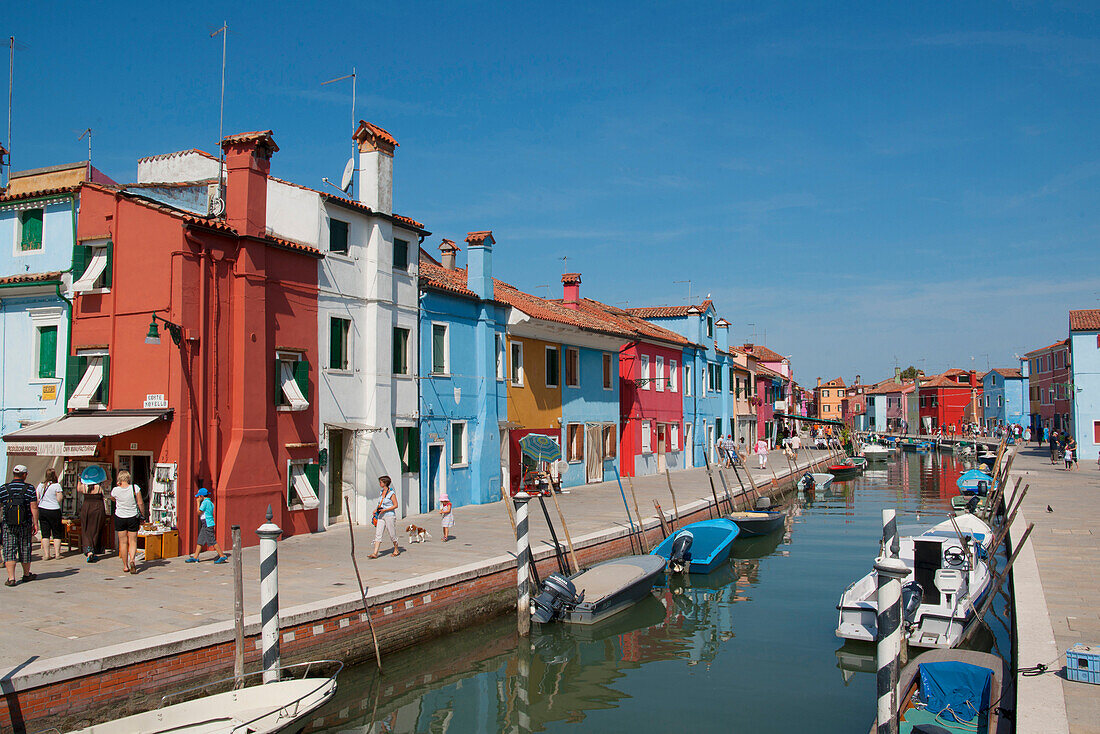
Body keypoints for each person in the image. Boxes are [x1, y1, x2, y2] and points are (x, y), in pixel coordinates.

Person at [2, 464, 39, 586]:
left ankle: (11, 578)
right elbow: (33, 506)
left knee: (9, 549)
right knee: (25, 548)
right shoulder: (29, 489)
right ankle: (26, 574)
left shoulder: (4, 489)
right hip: (25, 523)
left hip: (8, 524)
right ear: (24, 475)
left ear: (14, 474)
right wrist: (35, 523)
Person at [111, 470, 146, 574]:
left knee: (123, 542)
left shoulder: (115, 490)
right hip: (132, 517)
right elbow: (140, 503)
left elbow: (112, 499)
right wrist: (143, 515)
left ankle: (125, 565)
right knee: (133, 541)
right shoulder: (135, 488)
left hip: (120, 517)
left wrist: (118, 487)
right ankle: (132, 560)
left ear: (119, 479)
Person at [185, 488, 227, 563]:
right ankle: (195, 557)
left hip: (207, 523)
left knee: (212, 541)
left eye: (199, 496)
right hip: (206, 523)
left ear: (201, 496)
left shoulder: (205, 502)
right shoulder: (210, 502)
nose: (198, 498)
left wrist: (198, 503)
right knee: (200, 540)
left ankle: (222, 556)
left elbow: (198, 512)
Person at [36, 468, 65, 561]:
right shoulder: (56, 485)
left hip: (42, 509)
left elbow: (37, 497)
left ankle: (46, 554)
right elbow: (59, 498)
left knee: (45, 533)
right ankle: (57, 554)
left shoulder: (41, 485)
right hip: (54, 509)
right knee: (56, 533)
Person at [369, 475, 399, 559]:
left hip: (389, 515)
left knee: (392, 534)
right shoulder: (381, 492)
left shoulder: (391, 493)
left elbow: (396, 505)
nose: (379, 483)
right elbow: (380, 503)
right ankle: (375, 553)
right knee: (378, 533)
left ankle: (396, 548)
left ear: (385, 483)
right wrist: (376, 509)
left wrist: (385, 510)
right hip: (381, 515)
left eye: (381, 482)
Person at [79, 476, 106, 563]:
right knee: (96, 529)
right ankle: (94, 549)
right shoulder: (99, 487)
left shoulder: (83, 487)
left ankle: (89, 551)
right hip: (98, 508)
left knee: (86, 529)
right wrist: (104, 471)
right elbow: (110, 480)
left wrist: (80, 478)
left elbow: (78, 488)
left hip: (86, 508)